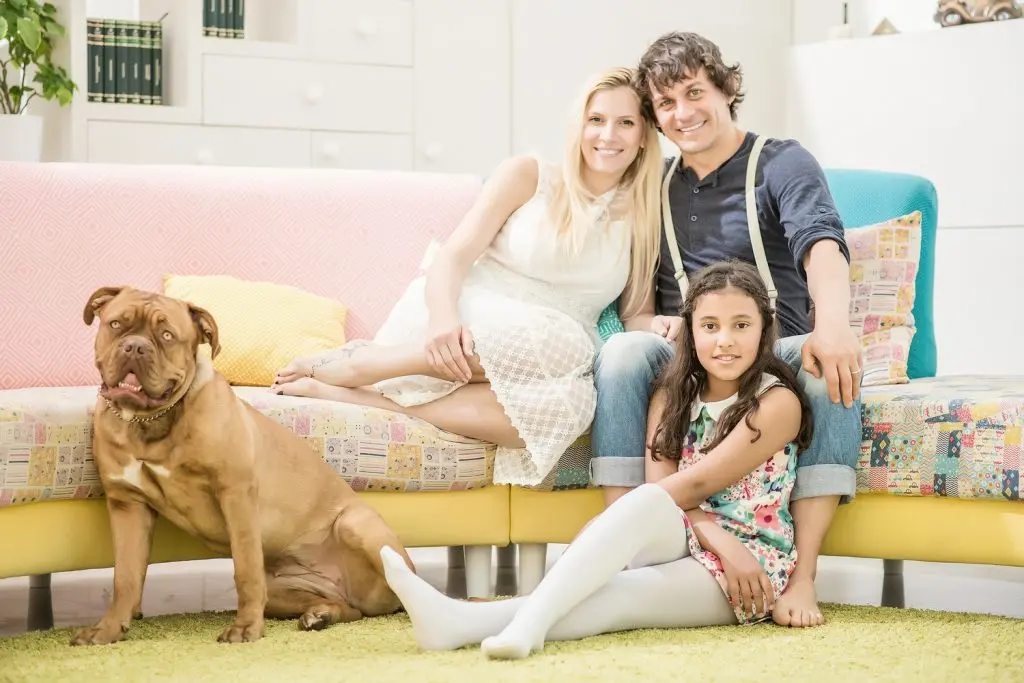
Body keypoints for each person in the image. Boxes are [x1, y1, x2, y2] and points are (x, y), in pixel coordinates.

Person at [377, 260, 815, 659]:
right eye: (710, 326)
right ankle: (495, 623)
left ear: (764, 329)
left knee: (620, 594)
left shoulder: (776, 403)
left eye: (741, 325)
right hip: (695, 533)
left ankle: (479, 623)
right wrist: (713, 538)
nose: (725, 340)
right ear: (690, 331)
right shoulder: (671, 393)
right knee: (648, 500)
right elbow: (661, 492)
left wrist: (616, 525)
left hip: (753, 563)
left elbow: (695, 485)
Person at [269, 66, 664, 487]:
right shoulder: (530, 175)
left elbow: (637, 313)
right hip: (471, 316)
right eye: (596, 120)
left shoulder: (643, 211)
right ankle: (365, 364)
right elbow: (453, 257)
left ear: (644, 135)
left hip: (551, 356)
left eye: (625, 123)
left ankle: (365, 399)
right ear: (578, 126)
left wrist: (661, 327)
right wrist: (443, 321)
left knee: (572, 405)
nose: (608, 135)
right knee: (564, 342)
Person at [588, 31, 863, 629]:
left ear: (727, 88)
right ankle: (623, 542)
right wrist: (652, 324)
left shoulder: (781, 161)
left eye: (694, 93)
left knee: (824, 365)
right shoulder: (654, 184)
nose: (683, 113)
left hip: (777, 348)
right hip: (691, 353)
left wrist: (834, 326)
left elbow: (821, 242)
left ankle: (802, 576)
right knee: (624, 352)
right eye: (666, 103)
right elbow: (637, 305)